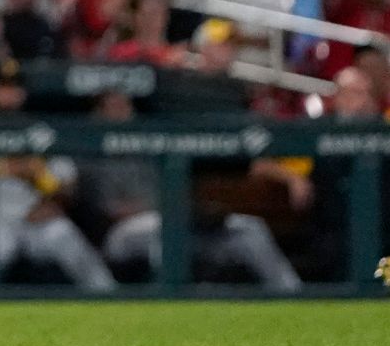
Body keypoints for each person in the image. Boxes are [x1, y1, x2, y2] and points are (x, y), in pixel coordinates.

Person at [80, 89, 301, 292]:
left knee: (250, 228)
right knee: (162, 230)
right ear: (100, 111)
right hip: (125, 232)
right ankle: (168, 297)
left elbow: (244, 165)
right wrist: (166, 210)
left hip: (178, 221)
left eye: (126, 105)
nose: (124, 111)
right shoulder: (92, 148)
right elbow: (107, 209)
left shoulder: (154, 142)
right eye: (115, 106)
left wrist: (195, 211)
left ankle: (292, 292)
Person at [0, 59, 114, 291]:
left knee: (67, 239)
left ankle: (110, 298)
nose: (8, 94)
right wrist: (14, 169)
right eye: (1, 87)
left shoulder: (40, 133)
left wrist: (51, 199)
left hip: (37, 217)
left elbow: (67, 181)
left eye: (14, 87)